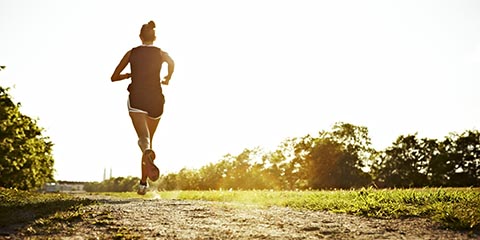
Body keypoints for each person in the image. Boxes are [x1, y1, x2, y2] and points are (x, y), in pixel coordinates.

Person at [111, 20, 175, 195]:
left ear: (140, 37)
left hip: (138, 98)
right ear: (154, 37)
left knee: (143, 139)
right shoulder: (161, 53)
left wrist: (128, 75)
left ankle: (146, 155)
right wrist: (167, 78)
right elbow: (172, 62)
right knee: (149, 140)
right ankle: (143, 183)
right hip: (156, 100)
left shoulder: (132, 53)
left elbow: (113, 77)